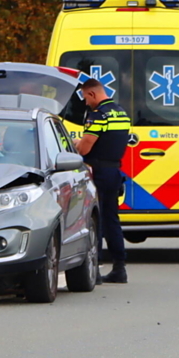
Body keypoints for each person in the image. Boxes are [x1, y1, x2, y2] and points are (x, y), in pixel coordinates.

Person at [72, 77, 131, 284]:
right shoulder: (121, 112)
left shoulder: (98, 116)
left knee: (92, 221)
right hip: (114, 171)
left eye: (86, 98)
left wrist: (76, 143)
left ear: (92, 94)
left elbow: (85, 148)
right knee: (111, 220)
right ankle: (119, 267)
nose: (86, 103)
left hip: (97, 172)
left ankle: (94, 270)